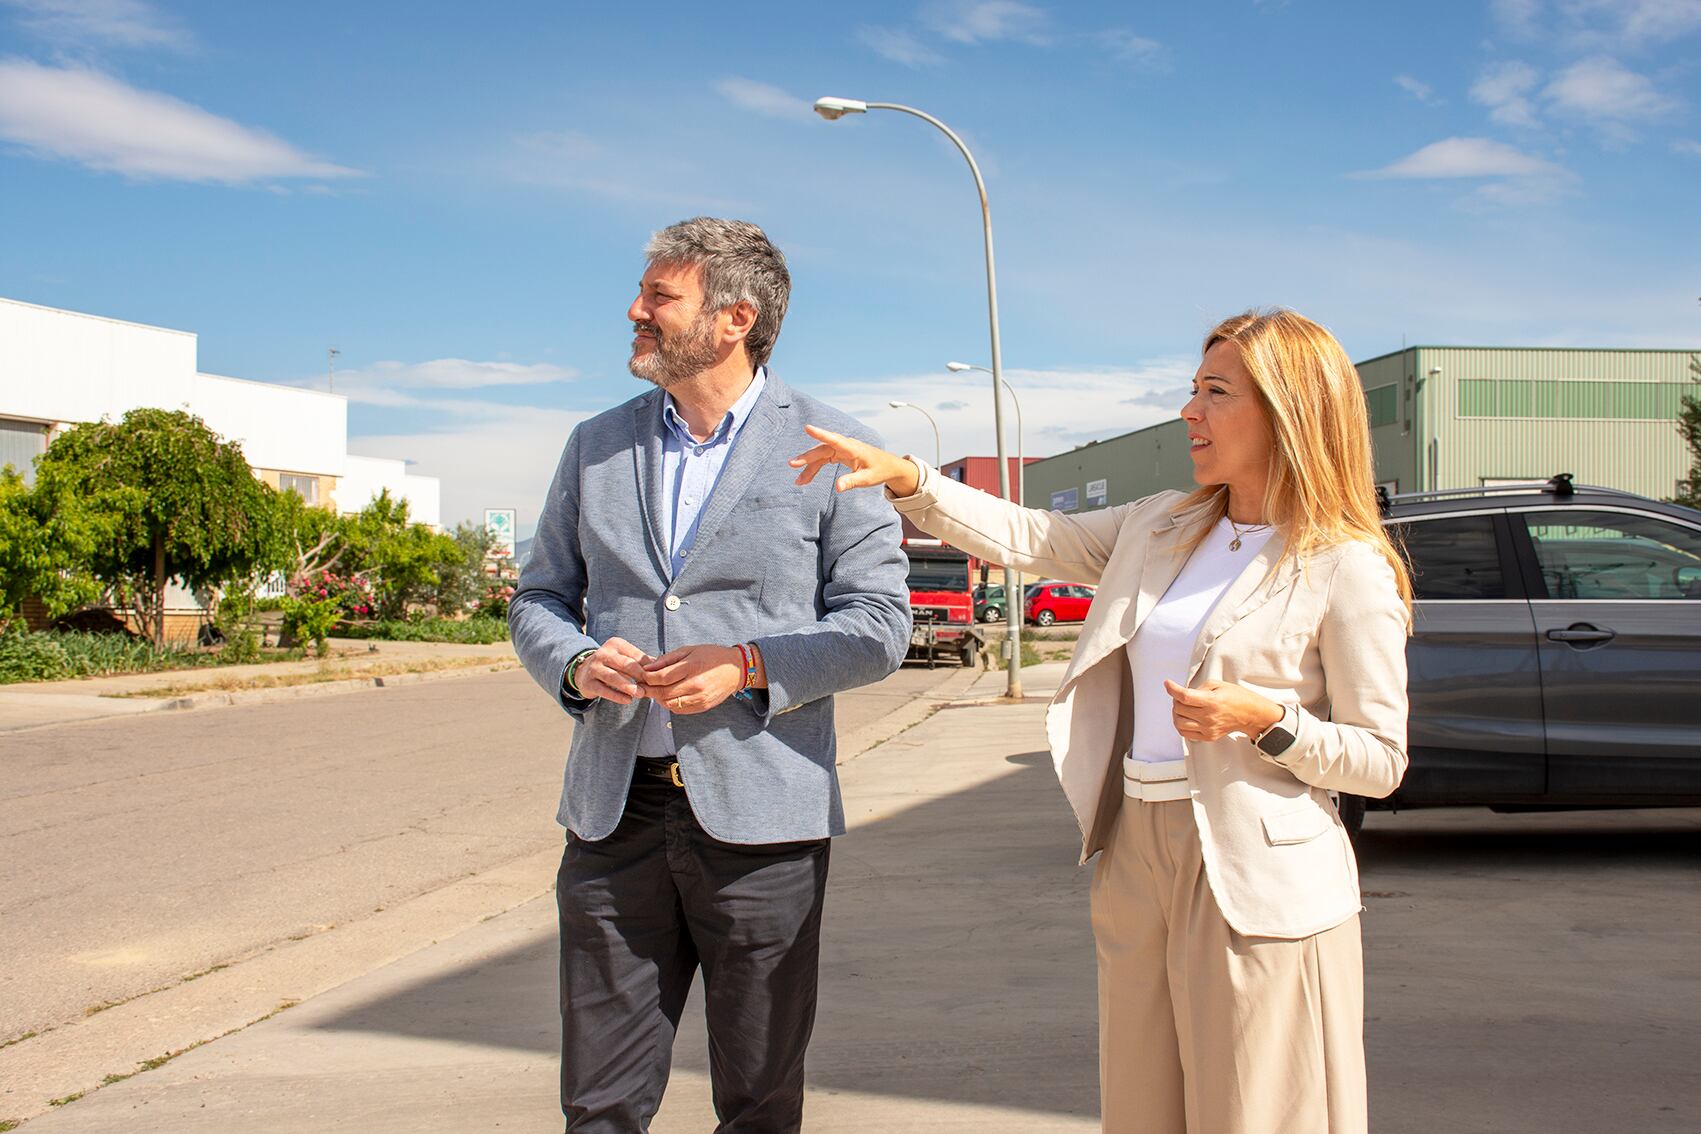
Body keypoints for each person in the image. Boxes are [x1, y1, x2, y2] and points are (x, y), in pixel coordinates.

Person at [792, 308, 1412, 1133]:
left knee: (1255, 1107)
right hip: (1134, 848)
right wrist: (911, 479)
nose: (1188, 411)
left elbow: (1380, 758)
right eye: (1192, 390)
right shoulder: (1162, 523)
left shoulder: (1343, 563)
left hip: (1249, 871)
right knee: (1140, 1102)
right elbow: (1032, 535)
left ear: (1286, 411)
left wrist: (1268, 719)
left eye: (1214, 393)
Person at [509, 216, 911, 1134]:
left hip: (765, 823)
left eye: (659, 297)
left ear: (733, 317)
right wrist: (575, 661)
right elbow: (538, 597)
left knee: (760, 1100)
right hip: (615, 816)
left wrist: (747, 664)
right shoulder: (595, 444)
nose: (634, 311)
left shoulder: (835, 447)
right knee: (599, 1103)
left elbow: (882, 627)